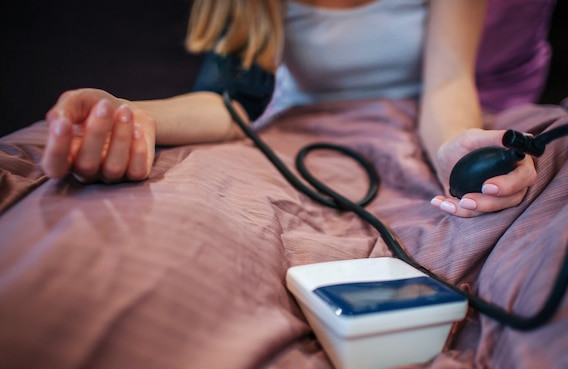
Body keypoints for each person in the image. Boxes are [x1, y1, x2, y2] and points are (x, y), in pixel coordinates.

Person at [41, 0, 537, 218]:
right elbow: (230, 104)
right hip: (300, 136)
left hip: (418, 126)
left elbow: (449, 83)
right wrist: (132, 114)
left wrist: (454, 147)